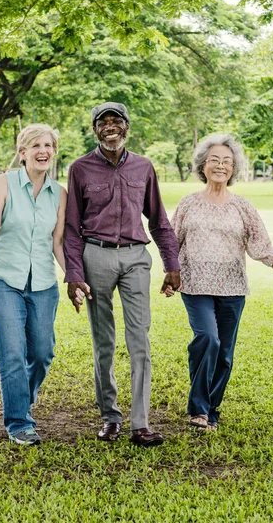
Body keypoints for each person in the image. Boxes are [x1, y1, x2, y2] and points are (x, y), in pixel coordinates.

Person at [64, 101, 181, 447]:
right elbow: (72, 227)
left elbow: (159, 220)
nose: (110, 126)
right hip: (95, 256)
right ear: (95, 129)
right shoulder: (80, 168)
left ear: (127, 127)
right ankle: (110, 417)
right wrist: (73, 273)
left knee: (139, 340)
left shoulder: (144, 167)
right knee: (104, 341)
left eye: (117, 121)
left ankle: (140, 423)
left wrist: (171, 265)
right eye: (104, 122)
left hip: (134, 258)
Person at [169, 135, 273, 432]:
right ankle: (198, 408)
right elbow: (171, 243)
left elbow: (260, 247)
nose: (220, 166)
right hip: (195, 286)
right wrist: (169, 275)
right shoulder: (188, 203)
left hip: (233, 288)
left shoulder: (242, 206)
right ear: (203, 165)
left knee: (224, 353)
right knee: (207, 339)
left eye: (227, 161)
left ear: (234, 168)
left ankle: (211, 410)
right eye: (214, 160)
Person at [0, 124, 66, 446]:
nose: (43, 151)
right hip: (3, 278)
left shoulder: (60, 193)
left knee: (42, 352)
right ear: (22, 153)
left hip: (42, 282)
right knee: (12, 353)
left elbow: (57, 242)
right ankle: (19, 422)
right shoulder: (5, 183)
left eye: (48, 145)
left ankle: (21, 399)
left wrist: (73, 276)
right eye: (35, 146)